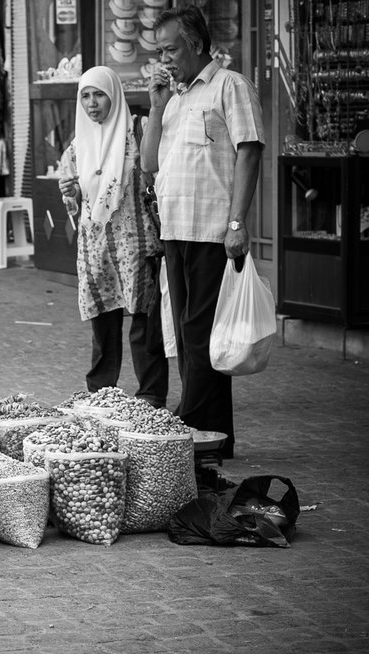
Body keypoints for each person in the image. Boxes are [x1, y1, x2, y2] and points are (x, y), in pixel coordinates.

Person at [140, 6, 264, 458]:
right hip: (176, 229)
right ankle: (213, 438)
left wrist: (237, 223)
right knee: (187, 333)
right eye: (160, 50)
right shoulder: (174, 99)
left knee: (200, 333)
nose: (164, 58)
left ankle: (191, 425)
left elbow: (249, 152)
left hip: (213, 229)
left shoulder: (230, 86)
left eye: (170, 49)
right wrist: (155, 108)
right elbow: (149, 163)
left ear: (194, 43)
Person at [58, 66, 167, 408]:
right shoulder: (78, 145)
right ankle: (101, 391)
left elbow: (155, 170)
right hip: (96, 246)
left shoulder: (138, 130)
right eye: (85, 96)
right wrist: (71, 192)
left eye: (99, 94)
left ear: (114, 95)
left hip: (135, 241)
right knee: (103, 321)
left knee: (143, 323)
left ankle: (150, 392)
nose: (92, 103)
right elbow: (77, 200)